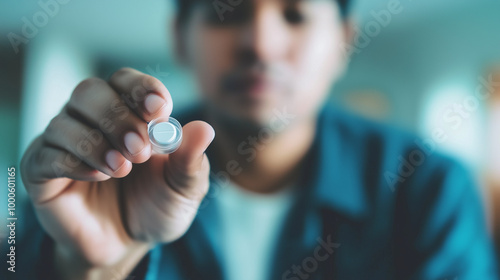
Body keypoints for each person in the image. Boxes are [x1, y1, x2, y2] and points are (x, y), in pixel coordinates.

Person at [10, 0, 498, 279]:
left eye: (296, 15)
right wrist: (95, 267)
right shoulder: (96, 173)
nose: (260, 44)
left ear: (344, 42)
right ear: (181, 37)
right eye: (228, 12)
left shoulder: (429, 188)